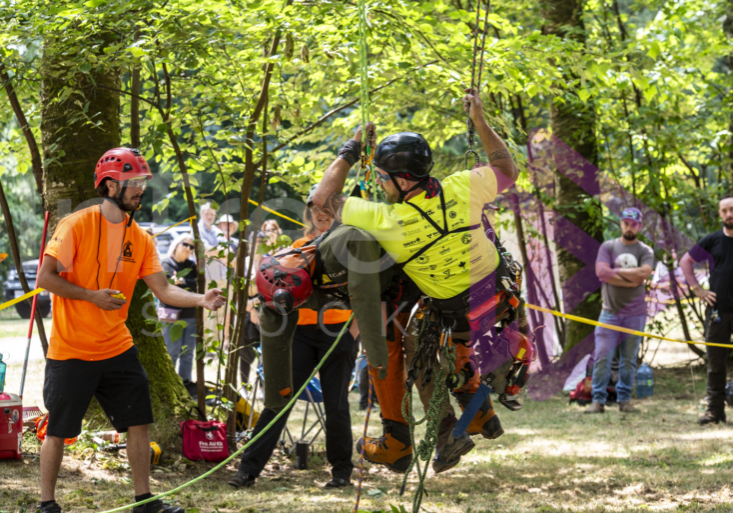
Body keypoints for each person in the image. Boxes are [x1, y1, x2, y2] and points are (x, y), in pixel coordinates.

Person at [312, 87, 526, 473]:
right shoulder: (463, 186)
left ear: (400, 180)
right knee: (449, 348)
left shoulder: (388, 220)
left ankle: (404, 436)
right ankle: (479, 416)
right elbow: (508, 170)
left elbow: (321, 200)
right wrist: (480, 120)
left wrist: (351, 149)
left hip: (453, 312)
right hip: (498, 299)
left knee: (408, 343)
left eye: (382, 178)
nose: (380, 185)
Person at [36, 148, 225, 513]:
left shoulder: (139, 238)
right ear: (109, 186)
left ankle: (144, 501)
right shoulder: (75, 224)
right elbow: (45, 278)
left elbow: (165, 290)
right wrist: (91, 296)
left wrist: (202, 299)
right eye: (133, 183)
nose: (141, 190)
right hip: (71, 350)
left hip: (117, 348)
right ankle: (48, 504)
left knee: (139, 421)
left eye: (142, 183)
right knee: (59, 429)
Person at [228, 185, 358, 490]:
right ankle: (248, 470)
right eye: (315, 208)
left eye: (328, 208)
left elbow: (366, 293)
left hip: (338, 332)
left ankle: (341, 472)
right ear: (309, 213)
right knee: (279, 399)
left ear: (339, 210)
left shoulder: (350, 245)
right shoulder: (298, 246)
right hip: (300, 332)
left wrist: (352, 334)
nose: (321, 213)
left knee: (337, 405)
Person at [585, 207, 654, 414]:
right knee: (603, 358)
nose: (629, 227)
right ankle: (598, 401)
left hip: (635, 315)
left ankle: (624, 400)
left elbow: (645, 273)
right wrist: (631, 280)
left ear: (639, 226)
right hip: (609, 313)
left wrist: (615, 273)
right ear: (621, 224)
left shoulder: (645, 251)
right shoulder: (609, 246)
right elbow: (601, 272)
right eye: (626, 223)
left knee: (628, 360)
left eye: (634, 224)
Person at [680, 195, 733, 425]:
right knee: (715, 362)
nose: (729, 214)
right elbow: (686, 262)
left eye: (732, 209)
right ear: (720, 214)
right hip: (718, 311)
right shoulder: (712, 240)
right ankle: (714, 411)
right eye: (724, 211)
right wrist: (698, 290)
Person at [159, 233, 198, 382]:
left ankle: (186, 384)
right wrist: (186, 283)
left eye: (191, 246)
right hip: (171, 314)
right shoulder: (166, 263)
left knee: (188, 354)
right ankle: (169, 383)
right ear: (176, 244)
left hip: (190, 314)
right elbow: (168, 284)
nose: (188, 248)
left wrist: (181, 281)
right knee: (172, 352)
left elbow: (197, 285)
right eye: (185, 244)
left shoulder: (192, 266)